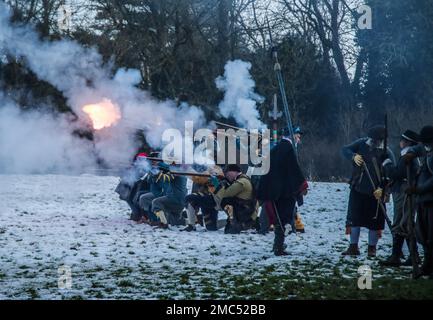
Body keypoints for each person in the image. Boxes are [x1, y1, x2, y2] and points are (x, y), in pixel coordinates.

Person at [341, 125, 396, 257]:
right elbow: (344, 150)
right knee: (355, 219)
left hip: (376, 193)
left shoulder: (387, 153)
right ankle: (353, 247)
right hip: (358, 188)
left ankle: (372, 248)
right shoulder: (361, 143)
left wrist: (383, 189)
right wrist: (353, 156)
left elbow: (391, 175)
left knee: (374, 222)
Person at [256, 128, 307, 256]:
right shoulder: (287, 148)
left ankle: (277, 245)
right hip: (284, 191)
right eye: (297, 136)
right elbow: (293, 170)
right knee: (283, 218)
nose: (299, 139)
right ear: (292, 136)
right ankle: (278, 247)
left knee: (281, 218)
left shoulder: (278, 148)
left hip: (276, 189)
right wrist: (302, 184)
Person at [380, 130, 420, 267]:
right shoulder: (408, 156)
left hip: (404, 192)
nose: (400, 142)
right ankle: (397, 255)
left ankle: (411, 256)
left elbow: (397, 173)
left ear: (408, 142)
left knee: (405, 223)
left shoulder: (408, 157)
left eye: (403, 140)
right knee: (399, 223)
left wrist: (387, 164)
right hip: (401, 191)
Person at [404, 125, 433, 278]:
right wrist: (410, 154)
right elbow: (417, 149)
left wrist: (418, 189)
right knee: (423, 235)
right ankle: (428, 266)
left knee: (431, 236)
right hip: (423, 201)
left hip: (430, 201)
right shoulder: (426, 149)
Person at [212, 164, 257, 234]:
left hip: (243, 213)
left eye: (227, 173)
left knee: (225, 201)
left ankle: (235, 224)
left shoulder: (241, 182)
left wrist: (219, 185)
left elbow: (225, 195)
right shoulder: (244, 179)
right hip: (245, 211)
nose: (226, 175)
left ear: (233, 172)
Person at [183, 165, 224, 232]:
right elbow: (196, 177)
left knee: (212, 228)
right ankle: (191, 225)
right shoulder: (206, 172)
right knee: (189, 198)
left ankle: (229, 222)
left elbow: (213, 183)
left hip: (214, 200)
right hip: (206, 200)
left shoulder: (216, 170)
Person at [150, 162, 187, 229]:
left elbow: (166, 178)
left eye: (172, 164)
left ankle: (163, 224)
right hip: (181, 200)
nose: (170, 165)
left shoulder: (175, 172)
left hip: (174, 198)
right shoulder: (181, 172)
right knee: (175, 221)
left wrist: (156, 172)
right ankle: (191, 221)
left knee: (156, 202)